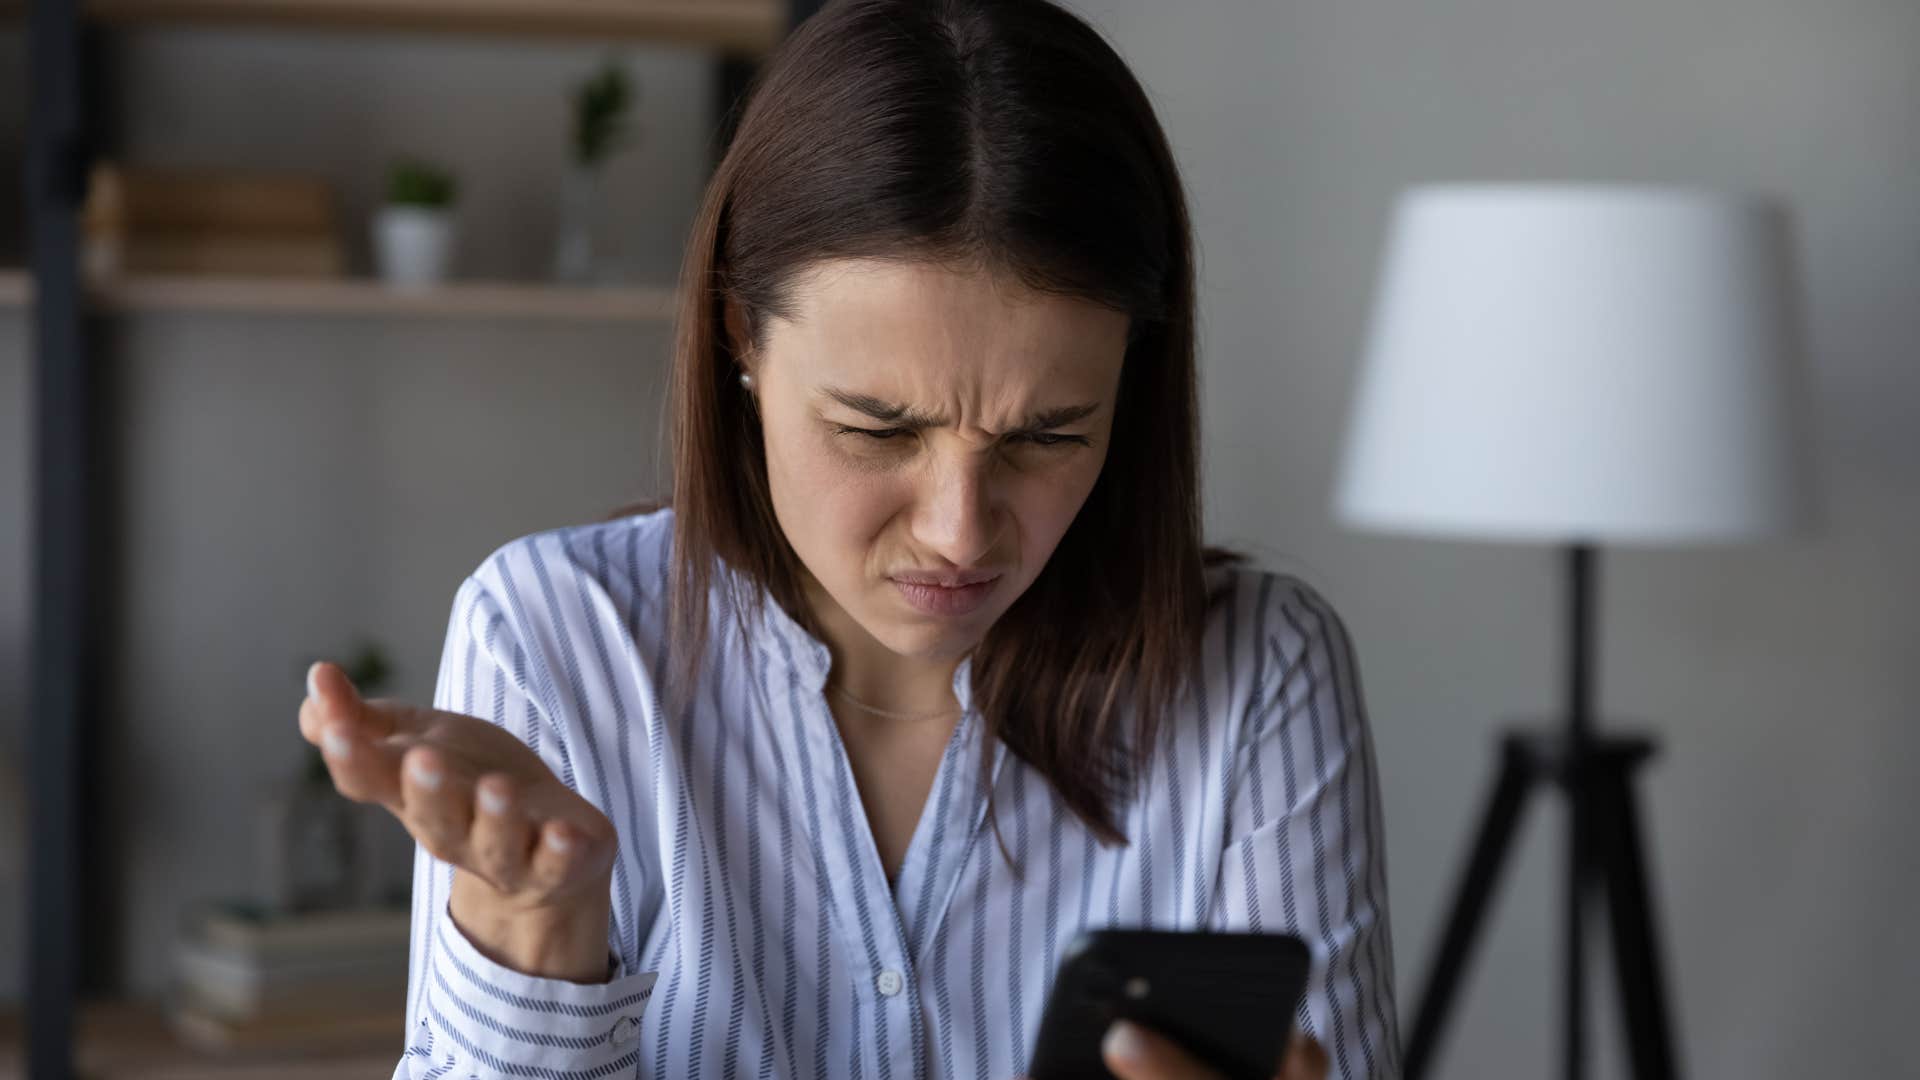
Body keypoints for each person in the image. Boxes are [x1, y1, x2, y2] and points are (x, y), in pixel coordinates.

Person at [296, 0, 1401, 1076]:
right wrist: (536, 942)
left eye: (1049, 435)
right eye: (878, 430)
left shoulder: (1258, 672)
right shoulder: (553, 641)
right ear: (742, 337)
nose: (958, 531)